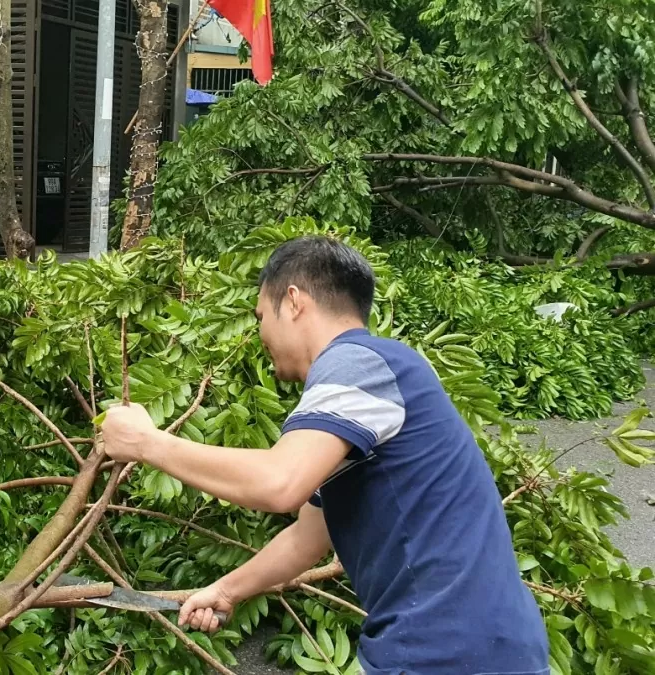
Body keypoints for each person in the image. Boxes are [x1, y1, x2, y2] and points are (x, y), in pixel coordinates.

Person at [101, 236, 549, 674]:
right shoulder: (371, 387)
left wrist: (146, 442)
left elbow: (279, 483)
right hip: (479, 645)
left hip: (443, 650)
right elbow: (308, 537)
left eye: (261, 316)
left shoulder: (356, 362)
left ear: (293, 301)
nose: (260, 333)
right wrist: (226, 590)